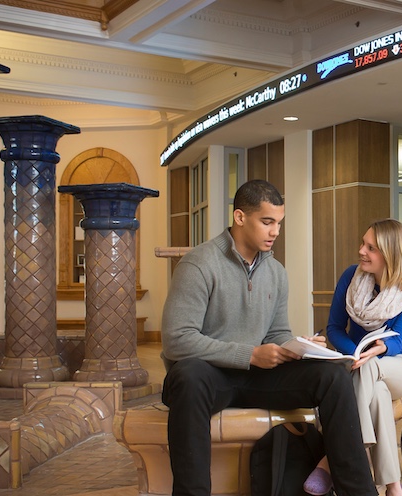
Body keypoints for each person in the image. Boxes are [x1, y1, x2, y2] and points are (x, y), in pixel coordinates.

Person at [159, 180, 377, 496]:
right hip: (210, 379)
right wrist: (250, 354)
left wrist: (297, 348)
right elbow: (177, 340)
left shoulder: (276, 272)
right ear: (239, 217)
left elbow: (276, 333)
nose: (275, 231)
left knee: (332, 376)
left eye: (278, 223)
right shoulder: (199, 263)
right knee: (188, 375)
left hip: (258, 377)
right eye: (267, 222)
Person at [307, 219, 402, 496]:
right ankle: (393, 485)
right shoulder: (351, 276)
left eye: (371, 248)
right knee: (378, 396)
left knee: (372, 368)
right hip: (359, 364)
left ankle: (334, 456)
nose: (361, 250)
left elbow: (399, 339)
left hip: (397, 366)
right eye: (363, 243)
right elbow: (334, 327)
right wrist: (354, 353)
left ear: (389, 254)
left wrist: (378, 349)